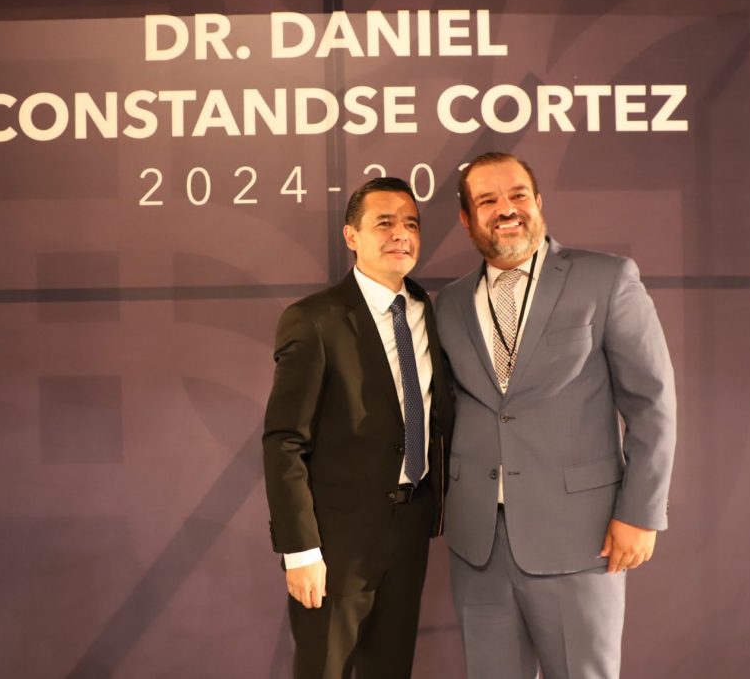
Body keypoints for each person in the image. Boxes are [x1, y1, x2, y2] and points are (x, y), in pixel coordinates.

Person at [435, 152, 677, 678]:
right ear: (467, 219)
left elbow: (652, 403)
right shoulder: (449, 304)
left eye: (518, 194)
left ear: (539, 202)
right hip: (479, 545)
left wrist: (641, 513)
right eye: (488, 200)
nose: (506, 209)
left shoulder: (606, 278)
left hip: (581, 538)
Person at [262, 176, 454, 679]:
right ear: (352, 236)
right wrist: (300, 550)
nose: (401, 234)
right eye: (384, 223)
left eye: (411, 224)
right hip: (334, 545)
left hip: (409, 530)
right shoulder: (314, 319)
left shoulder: (428, 311)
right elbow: (284, 442)